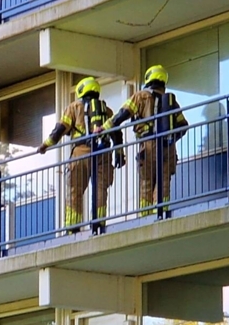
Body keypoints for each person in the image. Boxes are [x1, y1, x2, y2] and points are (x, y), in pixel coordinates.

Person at [38, 76, 125, 234]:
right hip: (104, 153)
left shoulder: (74, 107)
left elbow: (59, 130)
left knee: (74, 190)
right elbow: (116, 134)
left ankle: (73, 227)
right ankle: (98, 223)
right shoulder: (107, 110)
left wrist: (45, 145)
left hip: (81, 152)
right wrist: (119, 153)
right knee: (100, 189)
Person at [101, 65, 188, 216]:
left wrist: (104, 128)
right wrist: (170, 140)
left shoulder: (140, 96)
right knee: (164, 181)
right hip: (169, 147)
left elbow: (122, 114)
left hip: (148, 146)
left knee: (146, 182)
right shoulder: (171, 101)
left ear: (149, 78)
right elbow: (183, 126)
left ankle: (146, 216)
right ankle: (161, 212)